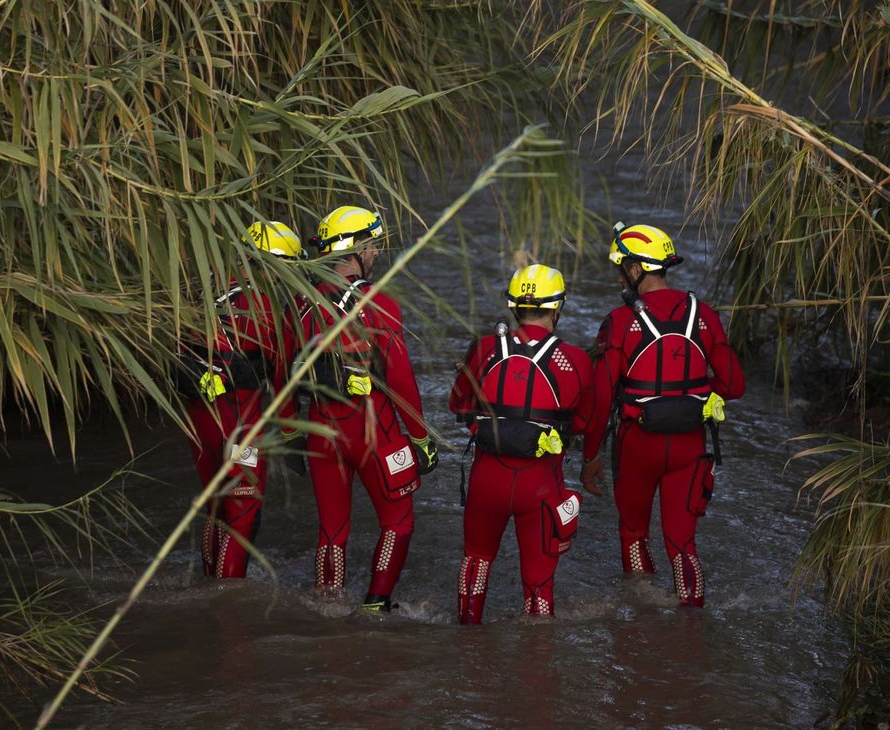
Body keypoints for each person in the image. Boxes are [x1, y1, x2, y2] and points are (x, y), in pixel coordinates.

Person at [585, 222, 745, 607]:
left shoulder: (620, 321)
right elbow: (734, 385)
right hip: (690, 444)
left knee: (634, 533)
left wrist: (589, 456)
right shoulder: (703, 314)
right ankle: (691, 624)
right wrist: (692, 397)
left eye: (621, 267)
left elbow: (602, 396)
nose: (619, 276)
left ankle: (642, 620)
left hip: (637, 444)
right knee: (682, 542)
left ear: (635, 269)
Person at [296, 205, 436, 612]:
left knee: (332, 530)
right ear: (358, 248)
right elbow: (402, 381)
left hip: (320, 427)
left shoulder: (302, 304)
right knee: (398, 521)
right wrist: (422, 438)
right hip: (373, 429)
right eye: (373, 244)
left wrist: (291, 433)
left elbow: (285, 371)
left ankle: (328, 605)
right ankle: (376, 605)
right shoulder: (377, 302)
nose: (376, 253)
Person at [450, 263, 600, 622]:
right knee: (538, 586)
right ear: (557, 308)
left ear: (514, 306)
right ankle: (536, 664)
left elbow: (457, 404)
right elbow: (582, 422)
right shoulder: (577, 360)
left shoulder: (485, 347)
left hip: (488, 476)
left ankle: (467, 650)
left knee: (476, 560)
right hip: (541, 483)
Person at [177, 220, 303, 579]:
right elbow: (282, 382)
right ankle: (227, 596)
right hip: (239, 426)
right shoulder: (266, 308)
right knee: (244, 512)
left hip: (198, 420)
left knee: (217, 506)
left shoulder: (206, 292)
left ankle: (209, 580)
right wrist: (293, 436)